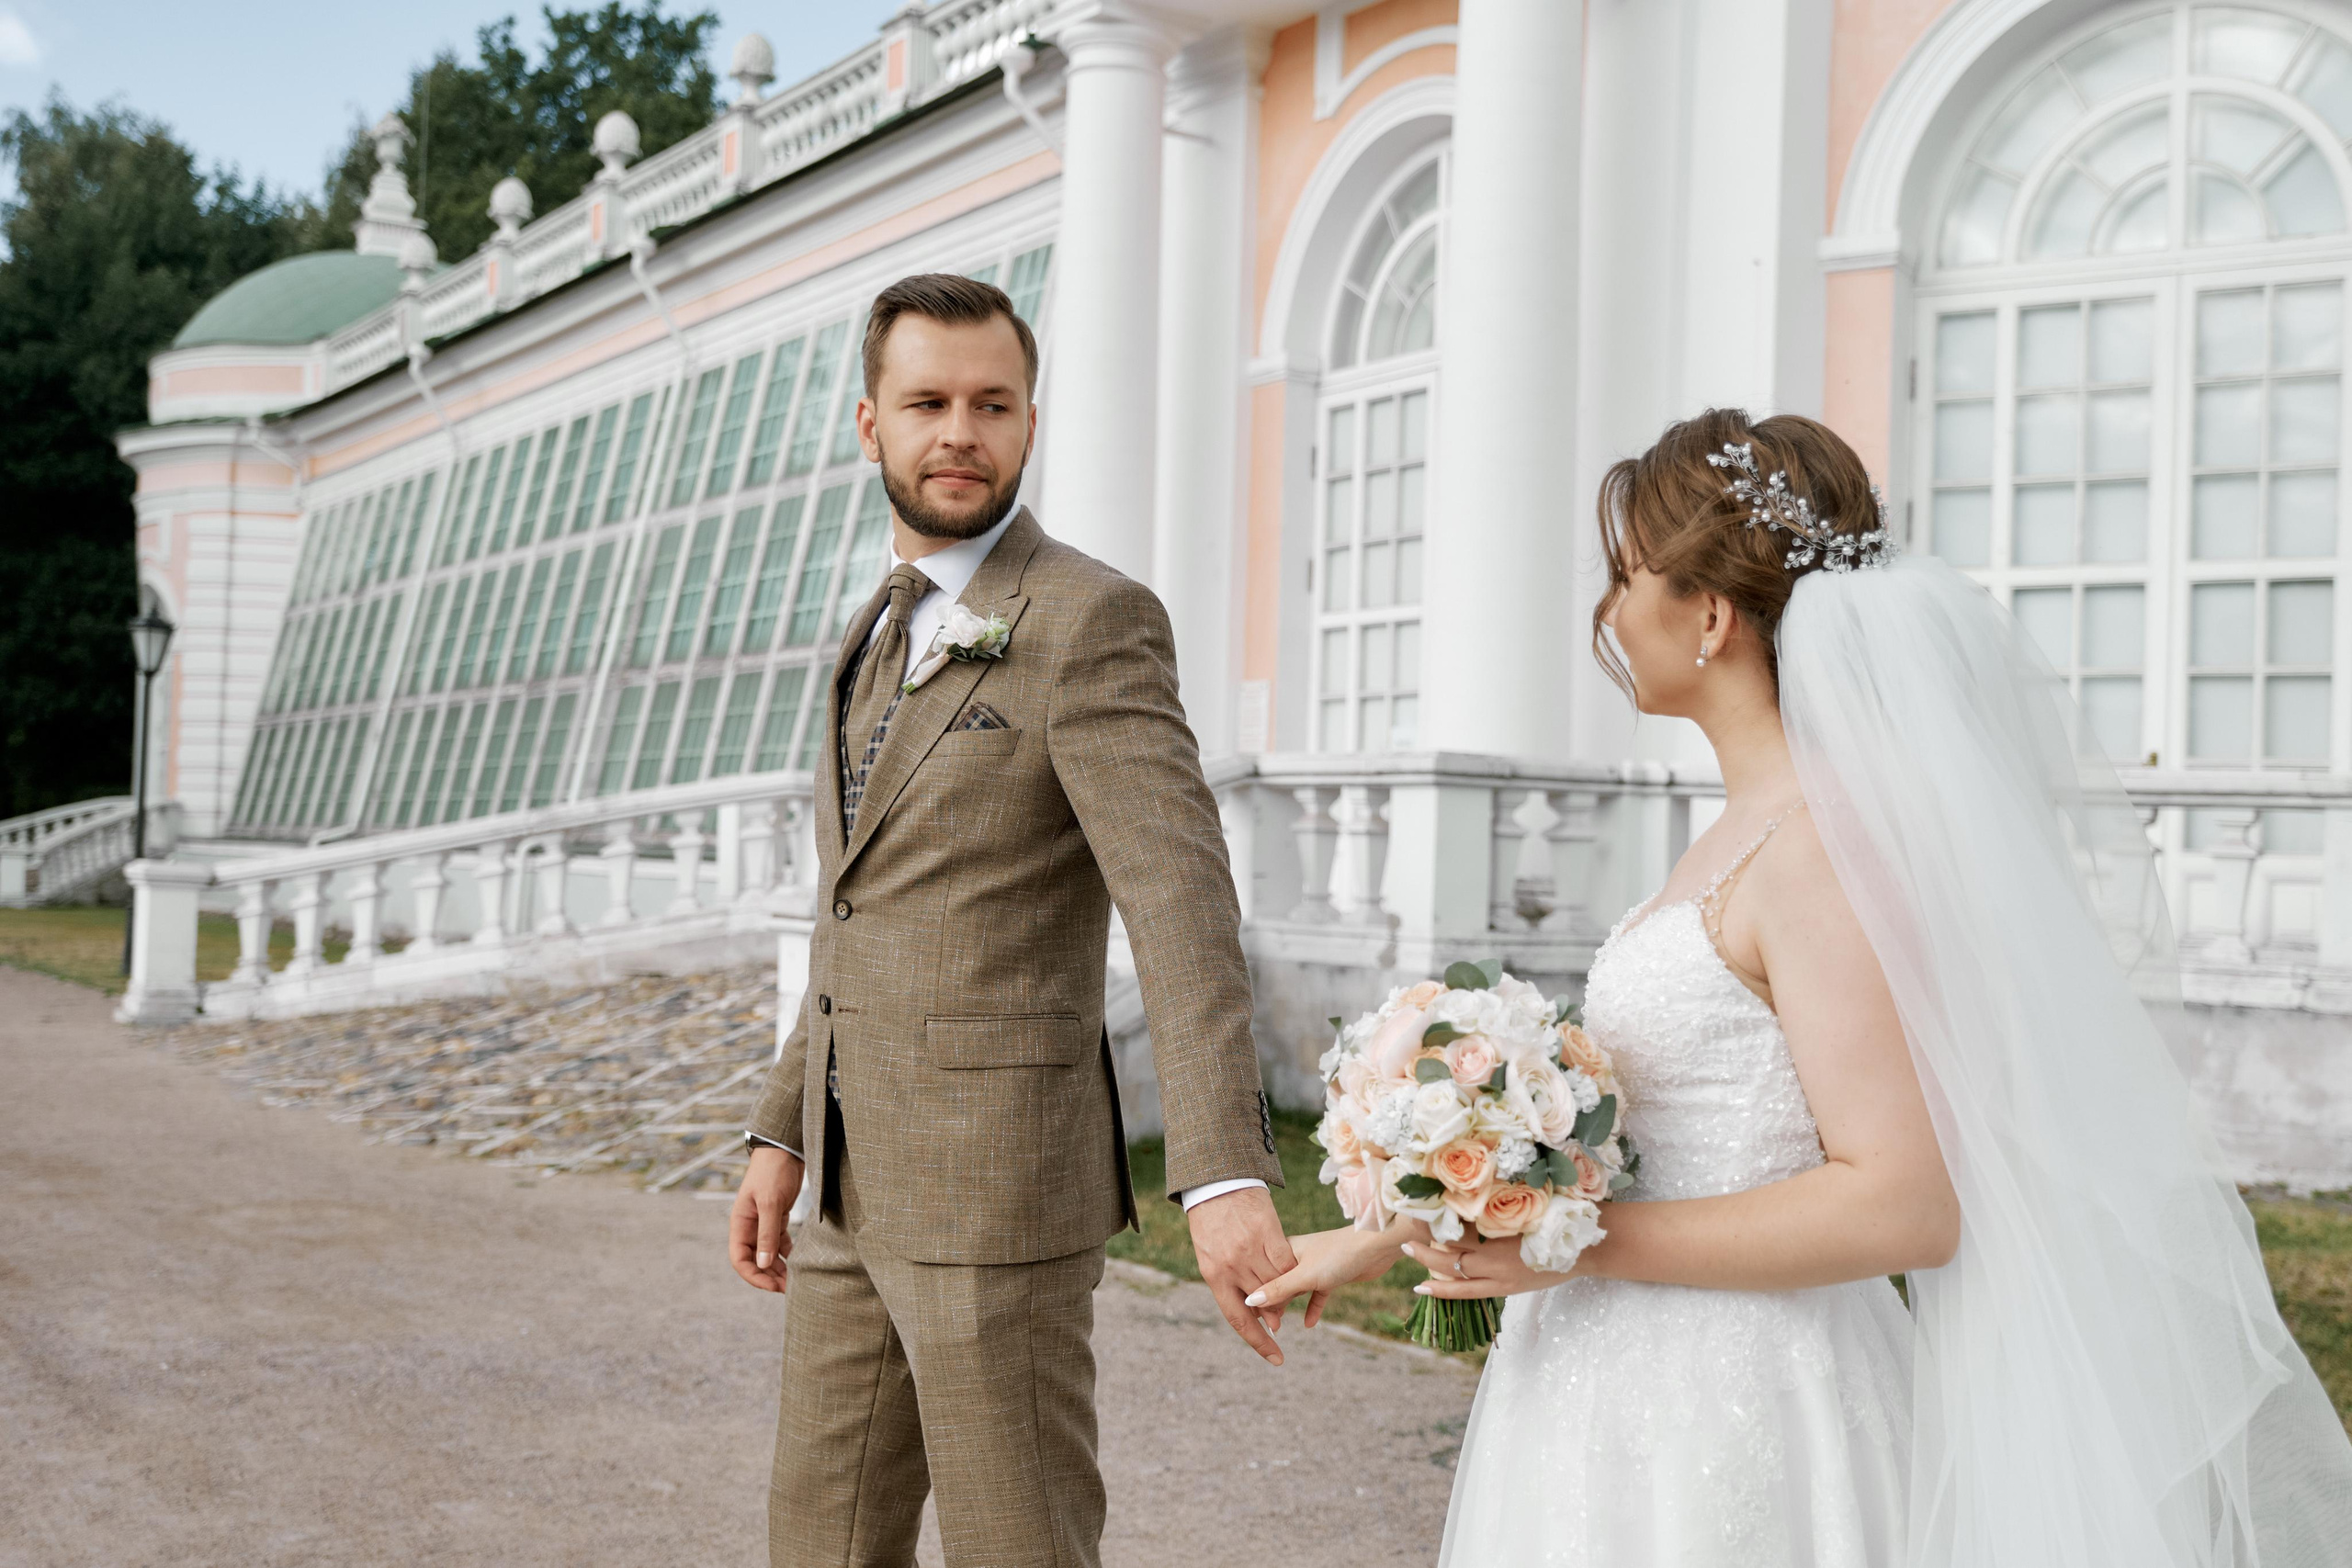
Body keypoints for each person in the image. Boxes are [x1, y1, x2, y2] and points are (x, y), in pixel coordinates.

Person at [1250, 409, 2352, 1564]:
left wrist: (1580, 1248)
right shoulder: (1739, 832)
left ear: (1711, 616)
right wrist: (1376, 1238)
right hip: (1607, 1387)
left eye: (1627, 578)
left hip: (1748, 1407)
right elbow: (1645, 1137)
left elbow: (1901, 1205)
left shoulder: (1821, 851)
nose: (1610, 614)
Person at [726, 273, 1295, 1568]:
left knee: (1016, 1543)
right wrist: (780, 1122)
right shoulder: (872, 628)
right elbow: (858, 907)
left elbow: (1181, 898)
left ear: (1031, 422)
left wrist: (1219, 1167)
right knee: (817, 1539)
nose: (960, 433)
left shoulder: (1092, 619)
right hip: (851, 1175)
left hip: (997, 1193)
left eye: (993, 403)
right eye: (927, 402)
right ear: (870, 423)